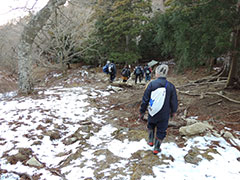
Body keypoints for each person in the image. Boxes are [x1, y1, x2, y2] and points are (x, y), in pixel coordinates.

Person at [139, 64, 178, 155]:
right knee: (161, 130)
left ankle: (150, 140)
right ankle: (157, 148)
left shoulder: (151, 84)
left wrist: (142, 111)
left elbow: (145, 99)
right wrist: (173, 112)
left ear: (157, 74)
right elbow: (174, 101)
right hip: (164, 113)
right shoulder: (171, 86)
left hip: (152, 111)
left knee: (151, 124)